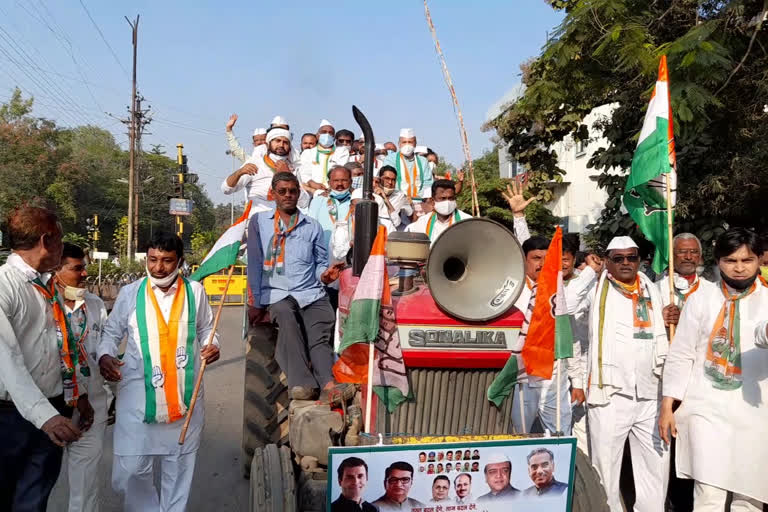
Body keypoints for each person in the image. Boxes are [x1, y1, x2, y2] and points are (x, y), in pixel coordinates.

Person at [97, 232, 220, 512]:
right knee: (129, 470)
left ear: (180, 262)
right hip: (138, 394)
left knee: (178, 472)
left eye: (166, 260)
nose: (158, 267)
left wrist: (213, 345)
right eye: (153, 260)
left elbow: (206, 330)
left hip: (183, 393)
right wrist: (104, 355)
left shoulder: (195, 291)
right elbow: (111, 332)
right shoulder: (131, 293)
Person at [660, 228, 768, 511]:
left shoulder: (767, 299)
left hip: (755, 414)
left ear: (760, 261)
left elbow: (762, 334)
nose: (740, 268)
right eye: (731, 260)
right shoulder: (701, 298)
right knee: (709, 494)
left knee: (749, 498)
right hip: (705, 408)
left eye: (748, 260)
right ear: (718, 261)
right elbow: (682, 353)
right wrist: (667, 405)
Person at [0, 206, 81, 512]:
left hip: (53, 408)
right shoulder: (4, 286)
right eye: (60, 240)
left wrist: (77, 396)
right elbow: (6, 359)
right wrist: (44, 416)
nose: (62, 247)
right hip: (11, 417)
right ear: (47, 240)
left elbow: (63, 345)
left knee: (34, 501)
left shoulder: (47, 286)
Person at [581, 236, 670, 512]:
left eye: (632, 257)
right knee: (605, 470)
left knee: (656, 469)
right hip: (610, 393)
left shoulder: (650, 287)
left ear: (640, 260)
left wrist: (669, 317)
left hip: (649, 391)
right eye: (618, 258)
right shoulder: (595, 288)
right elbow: (567, 303)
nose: (626, 263)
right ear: (607, 261)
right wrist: (588, 273)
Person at [247, 172, 349, 402]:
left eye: (293, 191)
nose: (288, 195)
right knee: (286, 316)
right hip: (276, 293)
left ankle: (328, 384)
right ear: (272, 194)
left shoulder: (312, 226)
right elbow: (253, 262)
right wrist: (255, 302)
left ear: (298, 194)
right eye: (282, 191)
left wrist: (325, 275)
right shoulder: (259, 222)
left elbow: (319, 263)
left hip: (310, 292)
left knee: (321, 328)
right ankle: (303, 383)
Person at [55, 243, 110, 512]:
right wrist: (77, 397)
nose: (85, 274)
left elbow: (105, 349)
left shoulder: (96, 305)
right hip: (52, 408)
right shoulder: (41, 305)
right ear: (56, 270)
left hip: (93, 409)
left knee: (85, 485)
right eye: (77, 268)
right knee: (36, 484)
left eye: (85, 267)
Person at [221, 127, 309, 215]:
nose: (281, 145)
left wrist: (288, 176)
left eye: (285, 142)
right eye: (277, 141)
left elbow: (304, 202)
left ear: (290, 147)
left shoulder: (293, 169)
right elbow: (226, 189)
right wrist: (239, 173)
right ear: (267, 144)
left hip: (285, 222)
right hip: (257, 220)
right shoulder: (255, 163)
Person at [308, 165, 354, 264]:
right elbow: (310, 231)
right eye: (336, 180)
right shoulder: (318, 201)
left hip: (350, 258)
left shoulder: (356, 202)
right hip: (323, 259)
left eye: (344, 180)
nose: (340, 184)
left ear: (351, 182)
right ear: (329, 183)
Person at [383, 129, 434, 215]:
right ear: (399, 144)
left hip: (419, 201)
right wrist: (403, 197)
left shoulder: (423, 161)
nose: (407, 145)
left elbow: (428, 182)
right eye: (404, 142)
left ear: (415, 144)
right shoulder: (391, 159)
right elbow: (388, 181)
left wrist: (419, 196)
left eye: (410, 142)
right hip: (397, 200)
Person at [405, 180, 471, 245]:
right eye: (443, 198)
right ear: (432, 201)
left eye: (451, 198)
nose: (447, 202)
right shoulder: (423, 222)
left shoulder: (467, 221)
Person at [300, 119, 350, 192]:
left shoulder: (342, 151)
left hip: (335, 190)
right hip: (311, 190)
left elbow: (340, 170)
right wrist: (312, 183)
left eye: (330, 133)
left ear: (334, 137)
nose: (327, 135)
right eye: (324, 132)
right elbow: (304, 172)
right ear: (317, 135)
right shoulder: (308, 153)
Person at [372, 165, 414, 234]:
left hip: (392, 235)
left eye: (393, 180)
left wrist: (385, 198)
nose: (390, 182)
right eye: (387, 179)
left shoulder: (400, 196)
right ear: (380, 179)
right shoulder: (373, 195)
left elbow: (396, 222)